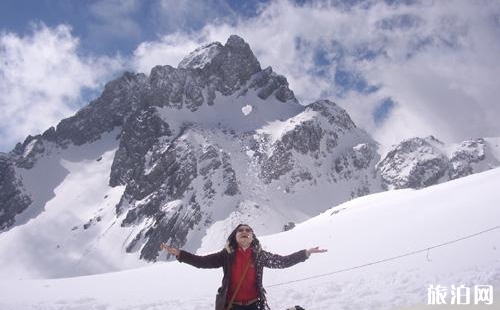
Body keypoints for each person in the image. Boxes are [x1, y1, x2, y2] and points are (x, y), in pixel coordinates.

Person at [160, 223, 327, 310]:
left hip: (255, 304)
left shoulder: (259, 255)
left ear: (252, 237)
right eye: (241, 230)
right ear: (235, 236)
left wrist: (305, 253)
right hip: (232, 305)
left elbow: (282, 262)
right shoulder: (227, 254)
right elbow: (203, 262)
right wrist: (180, 254)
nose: (245, 231)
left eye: (248, 230)